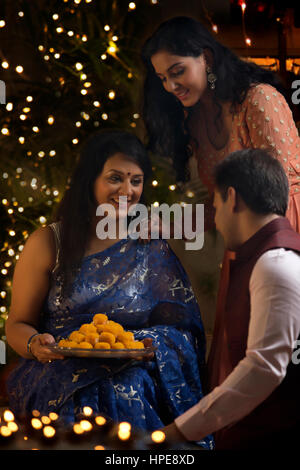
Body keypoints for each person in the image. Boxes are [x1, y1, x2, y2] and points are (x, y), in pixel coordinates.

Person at [5, 130, 213, 449]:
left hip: (131, 367)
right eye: (115, 178)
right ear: (91, 180)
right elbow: (17, 324)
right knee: (80, 397)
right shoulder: (50, 242)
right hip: (57, 367)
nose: (127, 191)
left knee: (128, 387)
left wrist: (147, 343)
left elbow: (181, 328)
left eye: (136, 180)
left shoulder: (147, 244)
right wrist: (36, 344)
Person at [141, 15, 300, 389]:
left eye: (177, 71)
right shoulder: (196, 121)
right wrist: (171, 225)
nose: (170, 86)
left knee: (279, 361)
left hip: (285, 233)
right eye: (163, 78)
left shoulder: (259, 99)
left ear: (207, 59)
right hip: (240, 248)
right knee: (241, 361)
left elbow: (279, 192)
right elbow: (221, 209)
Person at [161, 148, 300, 449]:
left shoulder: (275, 263)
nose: (217, 220)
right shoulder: (270, 256)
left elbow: (264, 368)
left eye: (216, 205)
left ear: (233, 198)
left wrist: (178, 432)